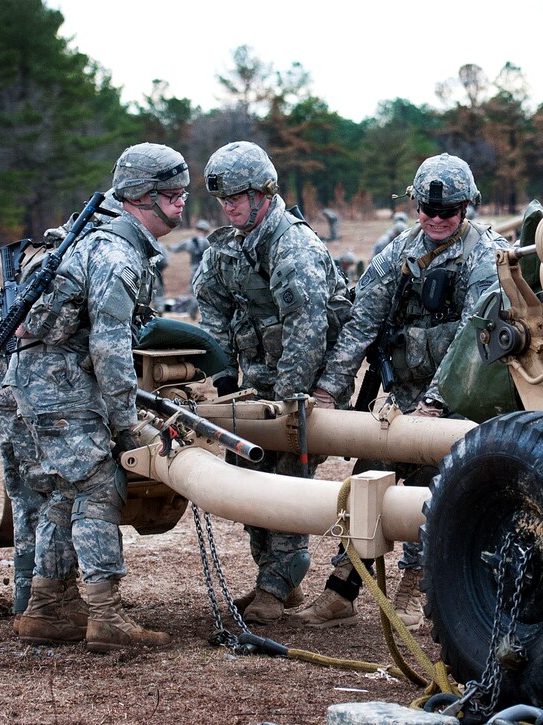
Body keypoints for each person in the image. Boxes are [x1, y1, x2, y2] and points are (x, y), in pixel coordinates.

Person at [290, 153, 509, 630]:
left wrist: (435, 404)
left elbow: (473, 340)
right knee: (367, 485)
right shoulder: (398, 252)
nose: (435, 219)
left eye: (446, 211)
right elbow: (360, 324)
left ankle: (421, 587)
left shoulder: (484, 257)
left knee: (434, 497)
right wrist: (329, 390)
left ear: (466, 208)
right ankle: (342, 589)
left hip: (457, 402)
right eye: (426, 210)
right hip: (400, 399)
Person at [5, 142, 190, 652]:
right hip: (61, 385)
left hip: (45, 381)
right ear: (140, 197)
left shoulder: (96, 239)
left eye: (182, 194)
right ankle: (105, 615)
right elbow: (111, 348)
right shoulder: (115, 253)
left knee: (68, 489)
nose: (181, 205)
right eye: (172, 195)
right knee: (99, 484)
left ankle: (46, 609)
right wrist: (126, 423)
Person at [194, 141, 352, 625]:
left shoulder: (295, 248)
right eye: (224, 200)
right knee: (248, 487)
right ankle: (279, 582)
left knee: (286, 480)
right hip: (254, 387)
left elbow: (306, 335)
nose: (230, 206)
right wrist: (225, 386)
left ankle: (275, 585)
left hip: (301, 386)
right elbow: (212, 311)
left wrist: (287, 407)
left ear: (264, 192)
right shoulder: (229, 247)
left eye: (239, 197)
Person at [0, 299, 87, 634]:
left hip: (2, 388)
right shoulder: (60, 274)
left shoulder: (30, 276)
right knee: (45, 496)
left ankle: (26, 599)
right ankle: (44, 602)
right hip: (26, 389)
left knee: (25, 499)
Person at [169, 219, 211, 287]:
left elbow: (175, 249)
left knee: (194, 286)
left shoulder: (189, 242)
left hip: (194, 268)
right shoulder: (209, 241)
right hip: (207, 269)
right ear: (206, 230)